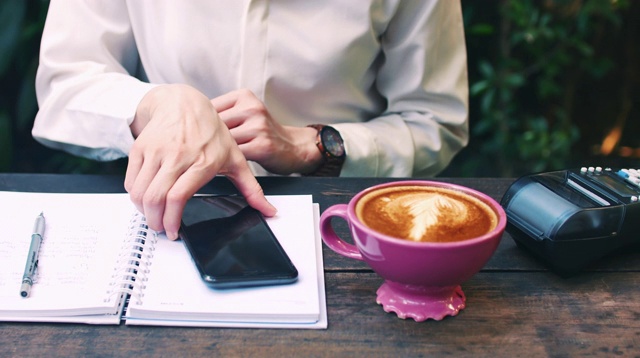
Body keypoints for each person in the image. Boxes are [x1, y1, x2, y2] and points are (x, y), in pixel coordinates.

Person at [32, 1, 470, 240]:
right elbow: (64, 82)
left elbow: (434, 121)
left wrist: (315, 146)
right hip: (165, 216)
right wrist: (156, 104)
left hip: (339, 227)